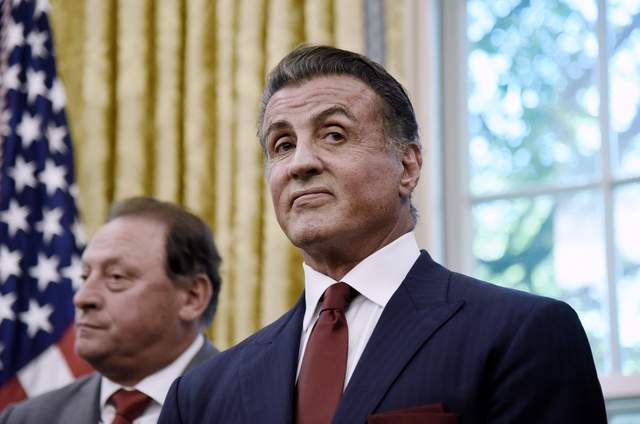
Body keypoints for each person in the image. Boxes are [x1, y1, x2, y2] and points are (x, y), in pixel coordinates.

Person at [159, 46, 607, 424]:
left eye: (334, 135)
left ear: (407, 166)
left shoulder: (522, 335)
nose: (301, 163)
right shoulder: (198, 397)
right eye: (283, 144)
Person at [0, 196, 222, 423]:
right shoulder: (26, 419)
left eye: (116, 277)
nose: (82, 298)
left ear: (192, 297)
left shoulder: (239, 403)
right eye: (85, 276)